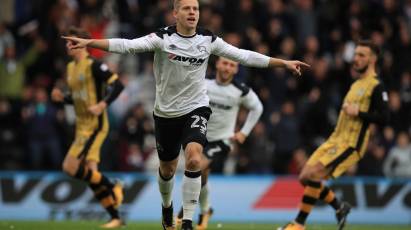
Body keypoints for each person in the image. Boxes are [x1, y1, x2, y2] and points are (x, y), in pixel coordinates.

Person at [62, 1, 309, 229]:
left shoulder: (207, 39)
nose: (193, 12)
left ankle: (188, 221)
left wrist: (283, 63)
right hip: (166, 113)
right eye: (187, 8)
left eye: (196, 9)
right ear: (175, 13)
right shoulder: (162, 37)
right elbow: (127, 46)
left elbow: (243, 55)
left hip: (196, 107)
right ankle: (167, 207)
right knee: (167, 170)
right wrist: (90, 43)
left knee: (194, 159)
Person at [278, 40, 389, 230]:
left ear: (373, 59)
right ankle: (340, 206)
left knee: (313, 175)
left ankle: (298, 224)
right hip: (335, 140)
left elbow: (385, 118)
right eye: (356, 54)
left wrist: (359, 113)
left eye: (362, 55)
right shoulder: (356, 84)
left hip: (351, 144)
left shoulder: (377, 86)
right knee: (304, 176)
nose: (356, 58)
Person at [175, 57, 263, 229]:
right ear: (217, 64)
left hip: (223, 140)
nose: (227, 68)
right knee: (202, 177)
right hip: (200, 137)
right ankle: (206, 210)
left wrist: (244, 132)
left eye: (232, 65)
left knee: (197, 167)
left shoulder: (241, 90)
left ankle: (184, 213)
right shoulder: (203, 83)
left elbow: (258, 107)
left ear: (236, 70)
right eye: (224, 63)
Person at [51, 27, 125, 228]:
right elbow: (79, 99)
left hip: (95, 126)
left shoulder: (93, 65)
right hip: (81, 126)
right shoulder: (70, 68)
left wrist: (103, 104)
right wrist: (63, 98)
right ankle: (116, 218)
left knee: (69, 167)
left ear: (81, 43)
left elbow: (117, 85)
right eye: (66, 42)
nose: (67, 45)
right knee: (92, 174)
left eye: (70, 41)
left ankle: (113, 184)